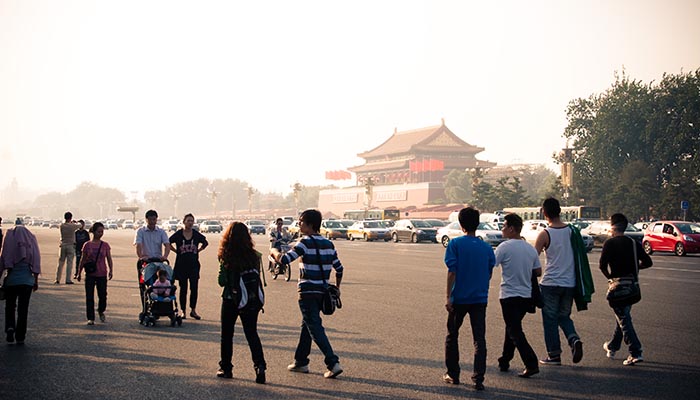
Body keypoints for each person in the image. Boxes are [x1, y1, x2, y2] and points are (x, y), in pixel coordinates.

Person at [271, 209, 344, 379]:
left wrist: (274, 252)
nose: (299, 224)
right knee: (308, 325)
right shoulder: (329, 244)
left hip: (307, 292)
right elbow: (339, 269)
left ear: (310, 225)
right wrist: (338, 287)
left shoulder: (304, 243)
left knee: (314, 327)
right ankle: (301, 361)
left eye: (302, 221)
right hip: (322, 291)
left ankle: (333, 362)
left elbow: (284, 260)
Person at [443, 207, 495, 391]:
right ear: (478, 223)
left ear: (461, 224)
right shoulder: (486, 247)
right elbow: (489, 272)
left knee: (452, 335)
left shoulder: (455, 244)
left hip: (460, 298)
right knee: (479, 338)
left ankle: (453, 374)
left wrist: (449, 296)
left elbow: (452, 272)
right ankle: (478, 377)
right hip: (480, 298)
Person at [535, 197, 584, 365]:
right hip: (569, 283)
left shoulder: (545, 233)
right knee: (564, 316)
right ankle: (573, 338)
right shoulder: (572, 231)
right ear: (560, 212)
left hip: (550, 283)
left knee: (550, 320)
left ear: (545, 213)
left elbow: (534, 258)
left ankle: (554, 355)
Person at [599, 213, 652, 366]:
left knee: (623, 319)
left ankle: (635, 351)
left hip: (618, 288)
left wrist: (610, 278)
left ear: (612, 227)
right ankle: (612, 346)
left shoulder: (609, 244)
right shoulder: (634, 243)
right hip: (632, 287)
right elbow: (648, 262)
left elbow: (602, 266)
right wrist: (636, 268)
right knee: (623, 317)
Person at [217, 221, 267, 384]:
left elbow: (222, 281)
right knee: (252, 333)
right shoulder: (255, 256)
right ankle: (259, 366)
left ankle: (226, 368)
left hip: (231, 299)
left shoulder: (226, 256)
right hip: (250, 301)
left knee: (227, 334)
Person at [494, 213, 541, 378]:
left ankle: (531, 363)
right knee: (512, 327)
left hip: (509, 295)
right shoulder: (530, 248)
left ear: (512, 229)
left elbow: (492, 263)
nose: (503, 228)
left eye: (505, 226)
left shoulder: (504, 247)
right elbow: (538, 271)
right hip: (526, 295)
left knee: (514, 330)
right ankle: (504, 360)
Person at [0, 221, 41, 344]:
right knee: (23, 309)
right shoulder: (31, 239)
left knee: (10, 306)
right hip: (27, 281)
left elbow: (3, 259)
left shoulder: (10, 239)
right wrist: (36, 280)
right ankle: (20, 336)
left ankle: (10, 327)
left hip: (12, 280)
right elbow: (36, 259)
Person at [168, 213, 208, 320]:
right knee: (183, 289)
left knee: (194, 288)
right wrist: (175, 251)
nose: (190, 223)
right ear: (184, 221)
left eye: (192, 221)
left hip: (194, 266)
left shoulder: (196, 234)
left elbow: (205, 242)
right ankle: (183, 311)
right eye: (188, 221)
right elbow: (167, 242)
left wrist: (198, 250)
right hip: (181, 266)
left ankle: (193, 310)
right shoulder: (178, 234)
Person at [76, 222, 113, 325]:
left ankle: (101, 310)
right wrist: (79, 272)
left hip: (102, 273)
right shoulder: (87, 245)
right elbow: (82, 260)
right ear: (93, 231)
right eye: (99, 231)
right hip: (90, 275)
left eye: (102, 231)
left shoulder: (105, 245)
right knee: (89, 296)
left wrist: (111, 270)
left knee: (103, 296)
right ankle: (90, 318)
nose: (100, 233)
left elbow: (109, 258)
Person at [54, 211, 82, 284]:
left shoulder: (62, 225)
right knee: (69, 263)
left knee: (60, 263)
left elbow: (63, 223)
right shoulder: (72, 226)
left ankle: (57, 279)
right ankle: (67, 279)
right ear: (71, 218)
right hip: (70, 245)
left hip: (63, 244)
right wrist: (75, 222)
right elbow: (80, 225)